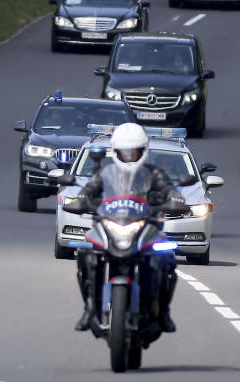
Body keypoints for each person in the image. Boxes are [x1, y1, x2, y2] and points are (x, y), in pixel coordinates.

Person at [73, 122, 185, 334]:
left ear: (143, 151)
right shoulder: (106, 173)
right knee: (87, 253)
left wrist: (175, 199)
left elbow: (170, 191)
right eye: (124, 153)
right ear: (116, 152)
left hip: (146, 230)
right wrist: (81, 199)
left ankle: (163, 312)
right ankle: (90, 308)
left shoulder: (154, 174)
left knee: (167, 258)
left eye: (134, 152)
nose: (129, 156)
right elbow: (89, 190)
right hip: (112, 227)